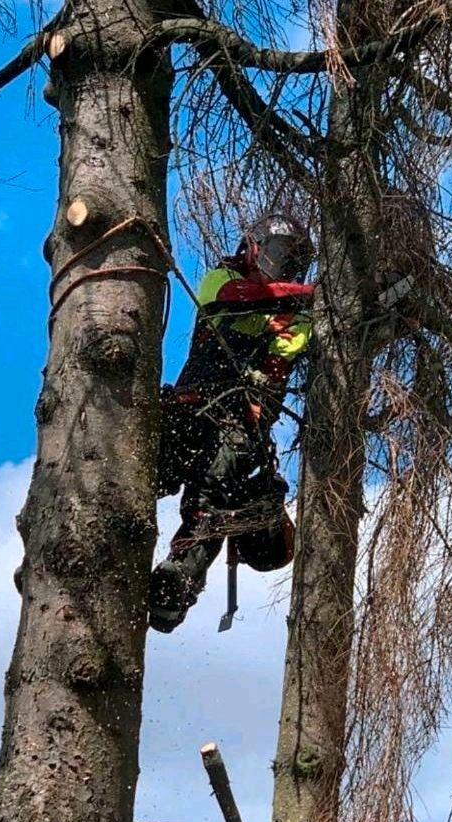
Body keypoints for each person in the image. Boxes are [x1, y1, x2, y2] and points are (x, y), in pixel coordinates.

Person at [149, 214, 315, 632]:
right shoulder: (223, 279)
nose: (286, 266)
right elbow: (234, 297)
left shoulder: (297, 317)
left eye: (294, 261)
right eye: (281, 254)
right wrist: (309, 294)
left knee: (214, 495)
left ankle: (176, 584)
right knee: (151, 471)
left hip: (242, 422)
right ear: (255, 247)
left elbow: (284, 353)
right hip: (191, 405)